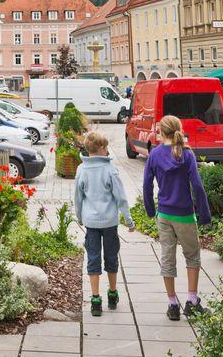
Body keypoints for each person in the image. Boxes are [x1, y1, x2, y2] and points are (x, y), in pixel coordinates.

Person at [143, 114, 212, 320]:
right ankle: (191, 301)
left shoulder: (154, 155)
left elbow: (147, 185)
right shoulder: (187, 154)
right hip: (185, 215)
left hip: (164, 214)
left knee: (167, 257)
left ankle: (172, 304)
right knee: (192, 256)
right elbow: (197, 186)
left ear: (161, 132)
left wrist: (149, 210)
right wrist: (204, 213)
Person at [74, 130, 135, 316]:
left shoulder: (81, 170)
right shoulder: (110, 170)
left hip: (91, 223)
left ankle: (95, 299)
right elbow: (121, 198)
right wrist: (128, 220)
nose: (108, 150)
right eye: (106, 147)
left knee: (93, 259)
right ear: (101, 148)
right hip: (109, 223)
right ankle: (113, 292)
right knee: (111, 257)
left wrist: (80, 217)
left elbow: (78, 197)